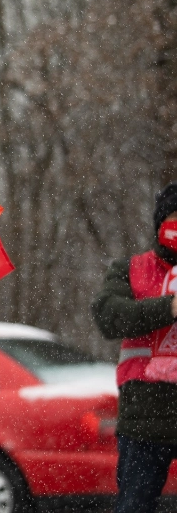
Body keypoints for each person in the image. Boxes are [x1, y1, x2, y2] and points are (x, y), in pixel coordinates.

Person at [92, 183, 177, 513]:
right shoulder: (131, 269)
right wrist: (167, 309)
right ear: (159, 223)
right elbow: (108, 316)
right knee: (134, 507)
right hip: (144, 421)